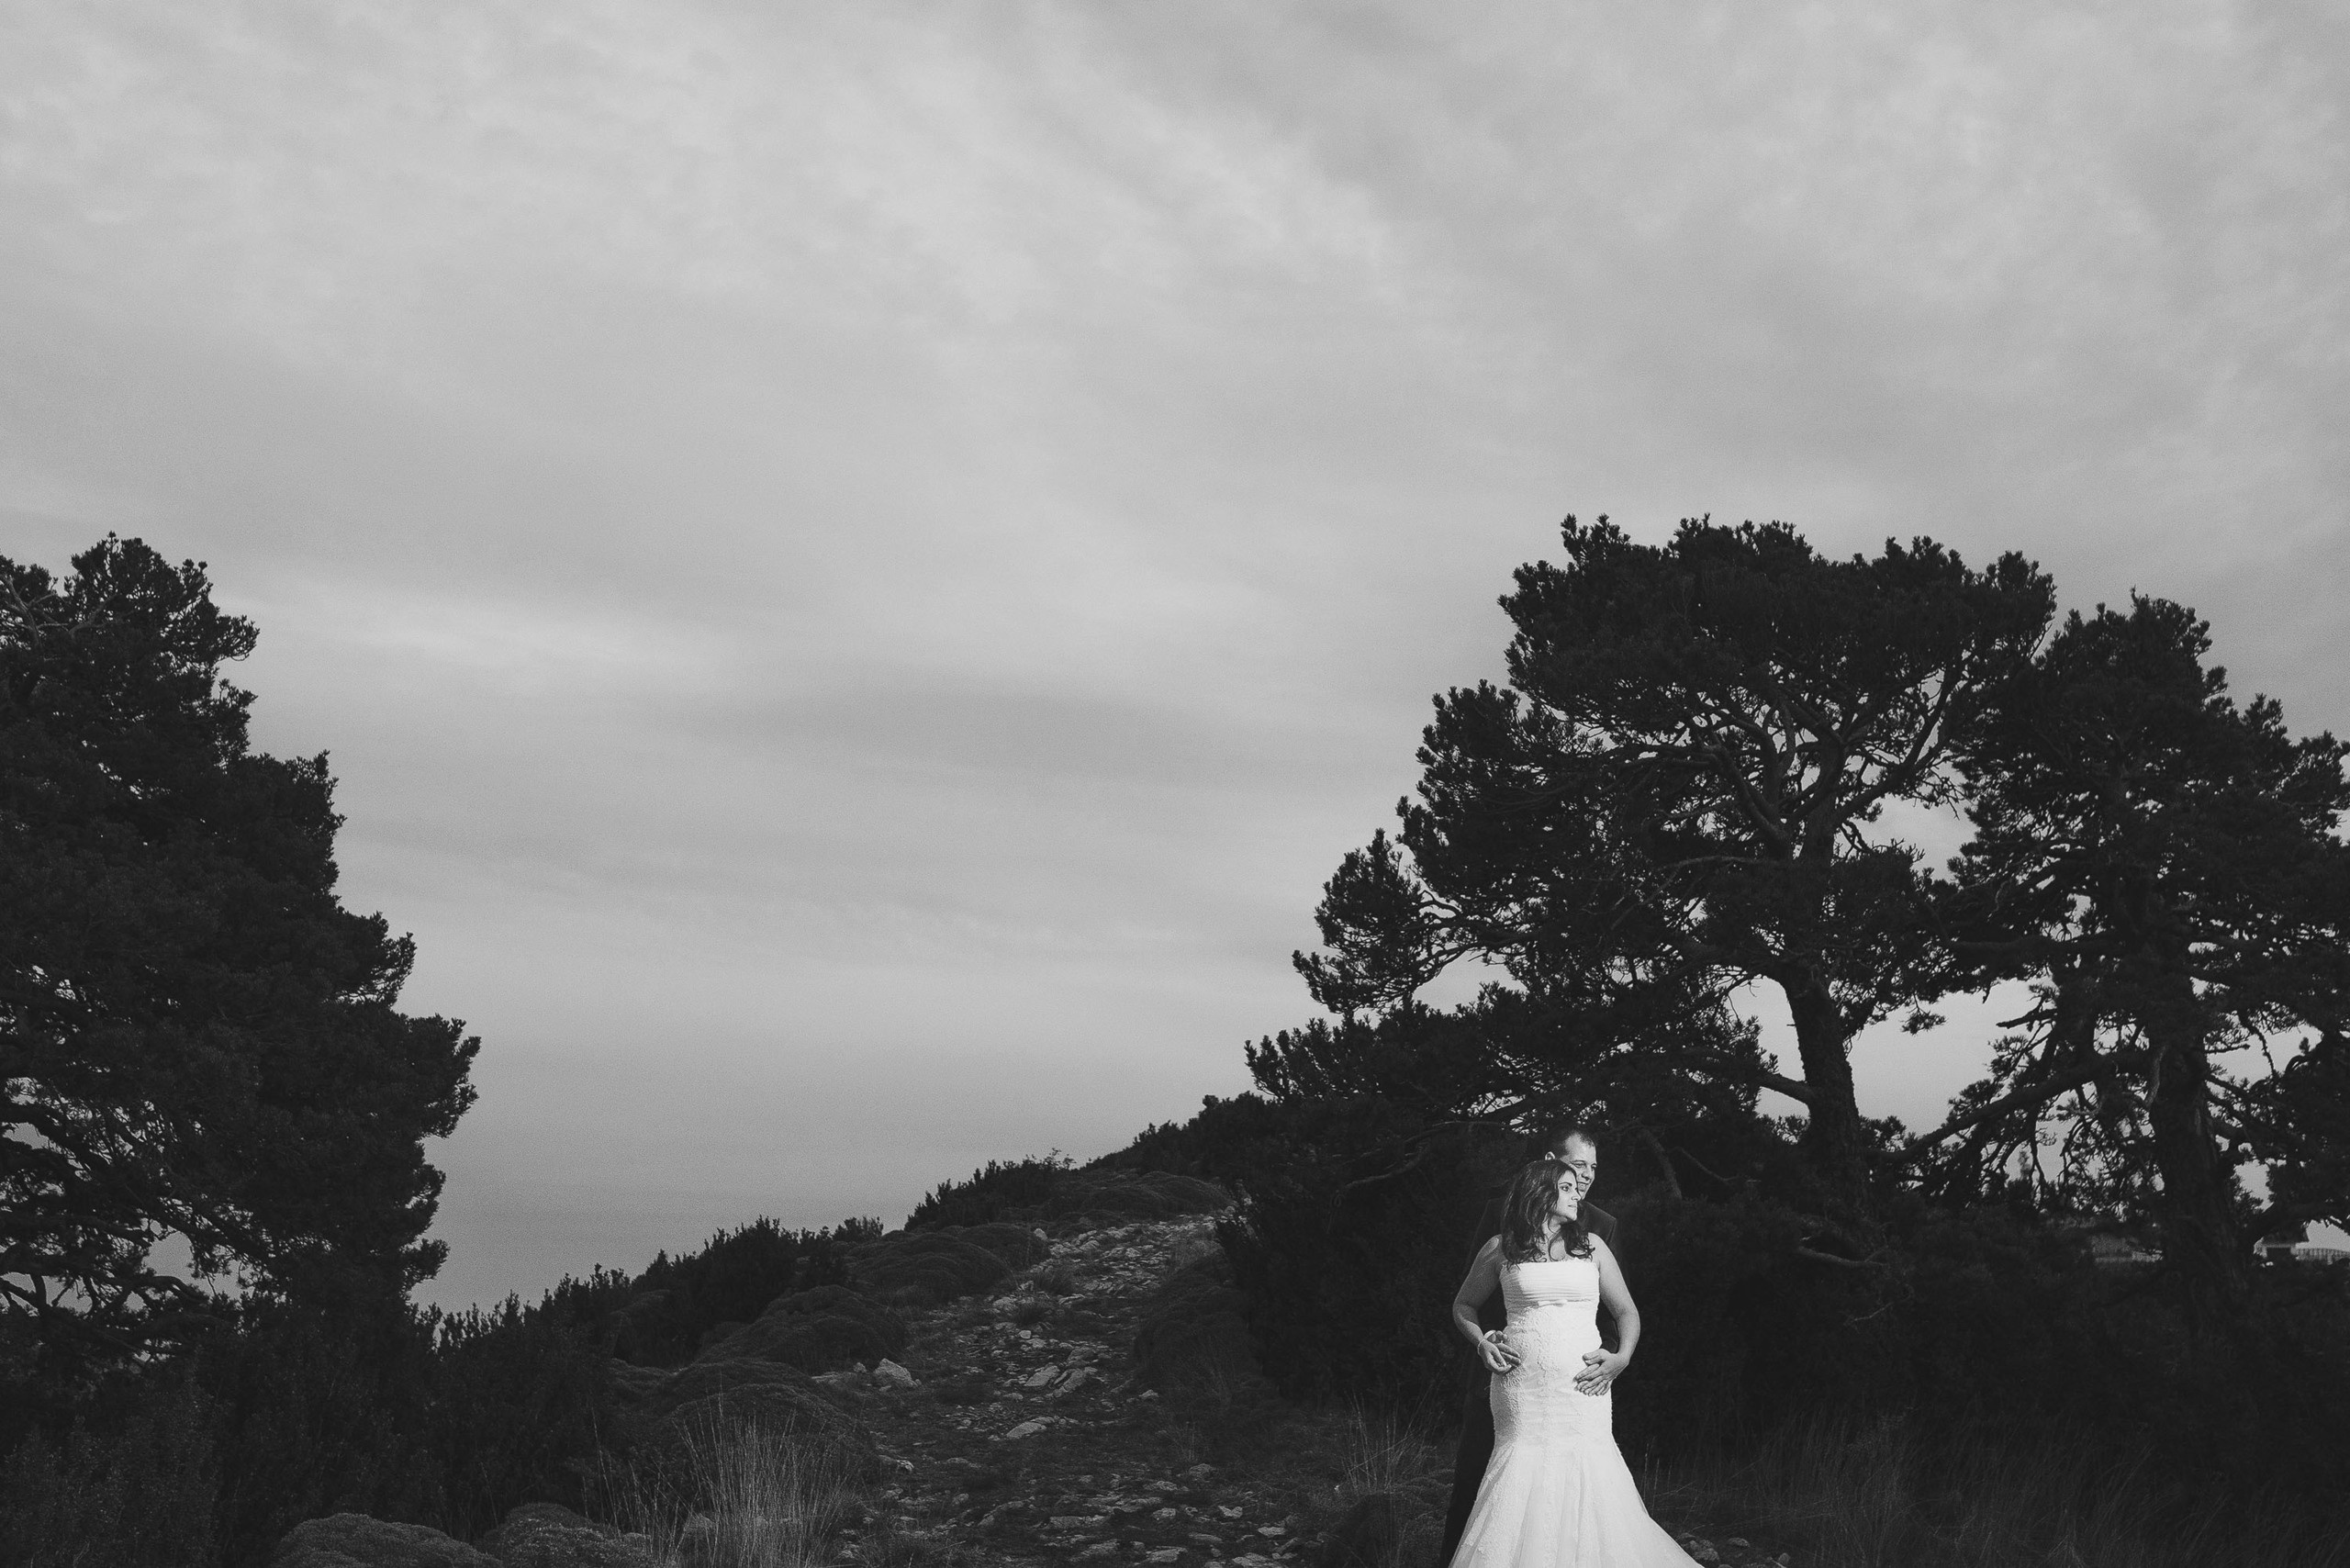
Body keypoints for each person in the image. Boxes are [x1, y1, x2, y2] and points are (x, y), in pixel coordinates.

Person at [1441, 1156, 1697, 1568]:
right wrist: (1481, 1341)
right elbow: (1464, 1305)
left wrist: (1621, 1359)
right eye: (1566, 1187)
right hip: (1520, 1391)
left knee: (1590, 1472)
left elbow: (1627, 1312)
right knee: (1519, 1473)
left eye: (1577, 1186)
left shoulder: (1592, 1246)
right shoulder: (1500, 1247)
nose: (1577, 1192)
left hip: (1583, 1390)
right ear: (1539, 1192)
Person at [1437, 1127, 1618, 1564]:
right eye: (1577, 1166)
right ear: (1550, 1161)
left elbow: (1611, 1310)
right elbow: (1473, 1292)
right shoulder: (1501, 1215)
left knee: (1573, 1487)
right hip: (1505, 1377)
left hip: (1573, 1387)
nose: (1587, 1177)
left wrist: (1608, 1359)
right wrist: (1487, 1343)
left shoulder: (1602, 1227)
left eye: (1593, 1168)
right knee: (1481, 1480)